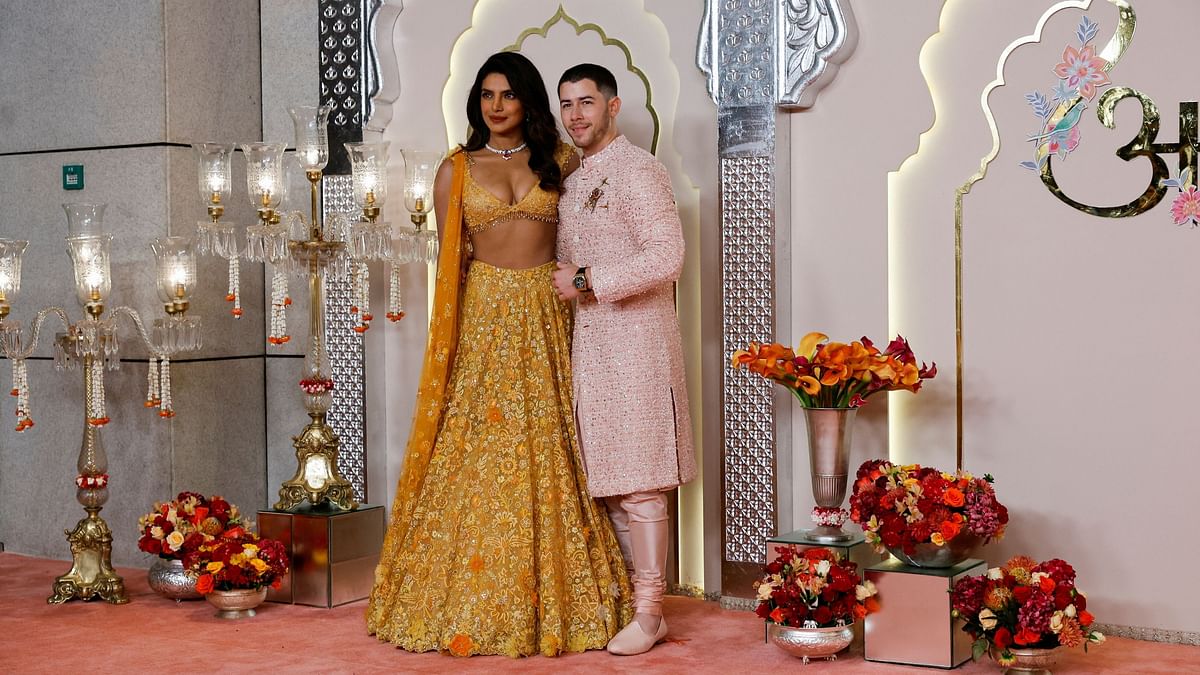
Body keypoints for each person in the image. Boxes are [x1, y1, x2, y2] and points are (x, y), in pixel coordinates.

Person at [367, 51, 631, 658]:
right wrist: (448, 353)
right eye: (486, 95)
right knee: (480, 450)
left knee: (555, 440)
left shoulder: (562, 162)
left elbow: (593, 235)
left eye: (509, 95)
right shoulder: (456, 169)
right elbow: (450, 269)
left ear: (527, 101)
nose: (496, 105)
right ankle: (461, 597)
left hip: (548, 312)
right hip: (484, 318)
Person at [551, 63, 697, 656]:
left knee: (639, 486)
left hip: (636, 346)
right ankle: (630, 605)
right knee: (610, 485)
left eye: (586, 103)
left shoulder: (638, 170)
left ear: (613, 106)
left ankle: (650, 611)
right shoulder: (574, 178)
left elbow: (668, 255)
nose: (575, 116)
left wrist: (587, 278)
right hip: (591, 347)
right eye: (566, 105)